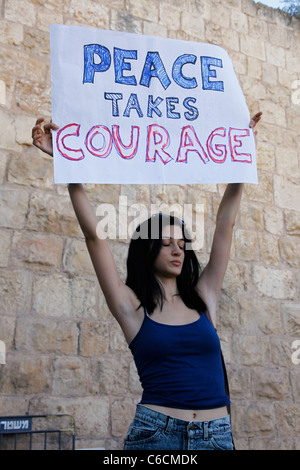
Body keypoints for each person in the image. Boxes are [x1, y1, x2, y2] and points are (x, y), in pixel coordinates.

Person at [32, 112, 262, 450]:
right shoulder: (131, 306)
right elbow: (95, 238)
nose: (177, 251)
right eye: (166, 243)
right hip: (156, 435)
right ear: (148, 250)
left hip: (216, 435)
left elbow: (225, 225)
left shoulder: (204, 295)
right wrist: (68, 167)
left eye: (182, 245)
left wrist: (242, 160)